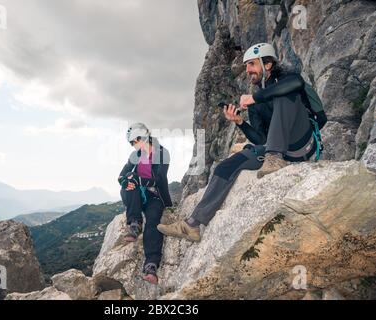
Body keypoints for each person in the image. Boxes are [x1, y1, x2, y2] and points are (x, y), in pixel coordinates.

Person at [157, 43, 327, 242]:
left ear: (268, 64)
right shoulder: (256, 102)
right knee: (227, 166)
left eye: (252, 64)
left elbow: (296, 83)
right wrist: (240, 122)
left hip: (303, 143)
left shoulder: (286, 80)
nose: (247, 70)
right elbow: (261, 139)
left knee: (282, 94)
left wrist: (255, 98)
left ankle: (273, 157)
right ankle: (193, 223)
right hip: (280, 151)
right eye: (246, 66)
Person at [118, 123, 173, 284]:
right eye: (132, 142)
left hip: (155, 196)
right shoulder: (135, 155)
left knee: (153, 221)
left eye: (137, 140)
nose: (135, 144)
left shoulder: (162, 153)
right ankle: (134, 223)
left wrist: (138, 179)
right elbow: (121, 176)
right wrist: (126, 181)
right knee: (129, 181)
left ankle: (151, 264)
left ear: (145, 136)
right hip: (137, 195)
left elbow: (159, 178)